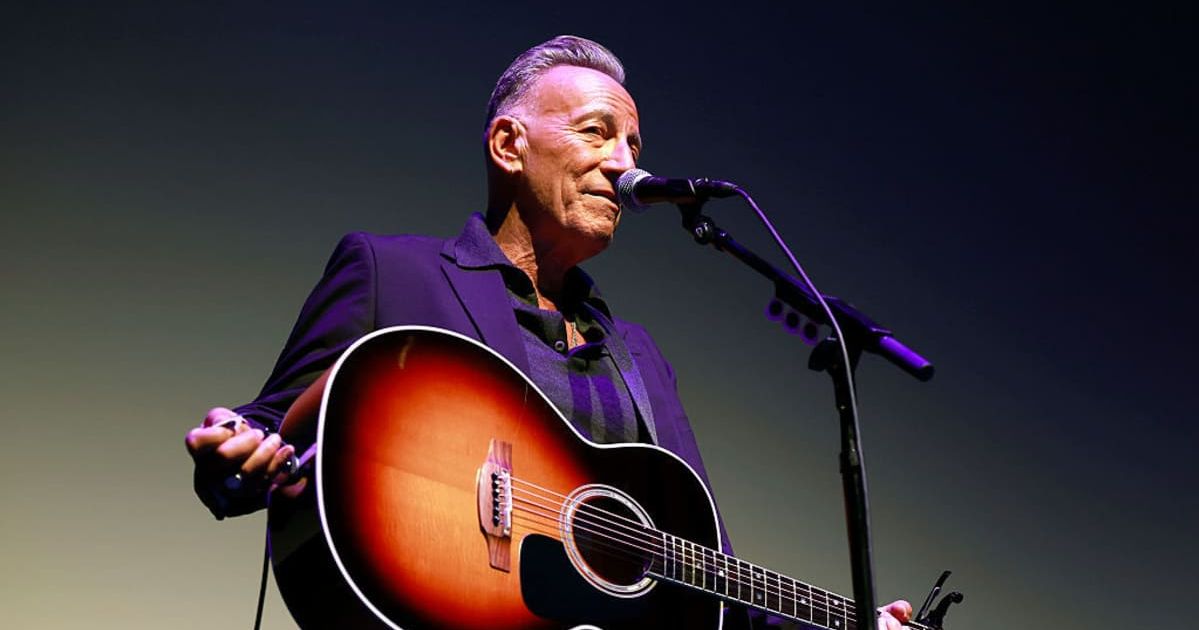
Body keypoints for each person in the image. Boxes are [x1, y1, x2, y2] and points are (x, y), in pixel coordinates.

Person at [184, 35, 911, 630]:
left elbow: (711, 582)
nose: (625, 164)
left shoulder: (640, 359)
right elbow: (273, 427)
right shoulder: (390, 272)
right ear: (509, 145)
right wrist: (233, 453)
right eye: (597, 132)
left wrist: (855, 625)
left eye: (634, 144)